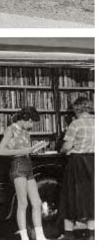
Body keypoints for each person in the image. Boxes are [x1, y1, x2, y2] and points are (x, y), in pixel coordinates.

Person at [0, 106, 46, 240]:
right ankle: (24, 238)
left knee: (37, 202)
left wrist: (32, 150)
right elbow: (0, 151)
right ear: (25, 119)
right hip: (17, 165)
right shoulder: (10, 130)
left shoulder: (25, 132)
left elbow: (25, 149)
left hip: (28, 165)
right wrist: (22, 151)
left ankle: (40, 236)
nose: (31, 126)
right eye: (31, 122)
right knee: (23, 203)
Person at [59, 97, 94, 240]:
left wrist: (62, 149)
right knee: (92, 196)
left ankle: (68, 233)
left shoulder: (76, 124)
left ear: (77, 109)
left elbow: (67, 146)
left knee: (70, 196)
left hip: (78, 163)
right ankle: (92, 233)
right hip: (94, 162)